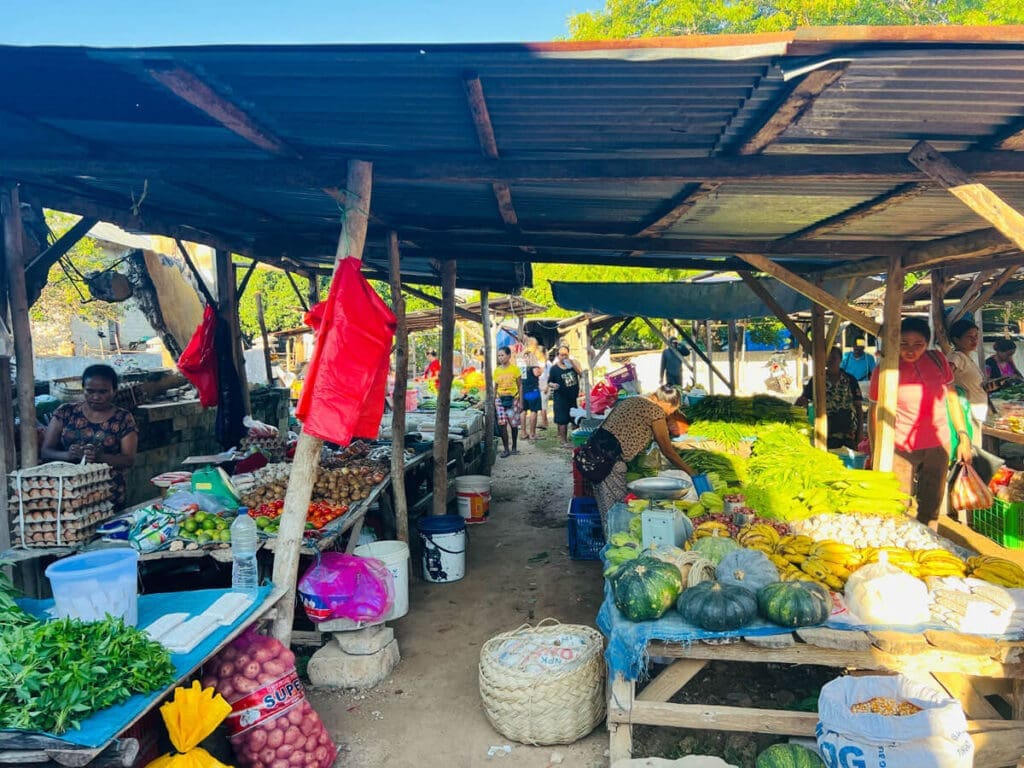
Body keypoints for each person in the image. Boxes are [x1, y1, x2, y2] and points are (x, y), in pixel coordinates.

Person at [868, 317, 972, 530]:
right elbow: (874, 412)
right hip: (900, 447)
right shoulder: (885, 369)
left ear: (927, 343)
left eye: (918, 345)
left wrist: (963, 436)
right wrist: (875, 449)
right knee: (898, 503)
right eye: (903, 344)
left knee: (931, 504)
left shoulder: (938, 360)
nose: (910, 350)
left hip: (938, 444)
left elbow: (952, 399)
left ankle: (928, 543)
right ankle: (898, 547)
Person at [587, 386, 696, 526]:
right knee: (616, 514)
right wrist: (692, 473)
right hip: (608, 464)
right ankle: (614, 542)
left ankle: (610, 539)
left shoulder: (635, 399)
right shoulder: (655, 411)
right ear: (667, 404)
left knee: (607, 509)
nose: (670, 414)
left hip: (595, 456)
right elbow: (668, 451)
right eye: (672, 410)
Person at [41, 364, 138, 508]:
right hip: (68, 494)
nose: (96, 397)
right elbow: (46, 451)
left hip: (108, 494)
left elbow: (128, 459)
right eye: (90, 391)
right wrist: (68, 455)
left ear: (114, 391)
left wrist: (100, 457)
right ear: (83, 389)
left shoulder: (123, 418)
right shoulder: (66, 412)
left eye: (103, 392)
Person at [794, 346, 863, 449]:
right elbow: (803, 399)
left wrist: (860, 433)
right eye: (828, 358)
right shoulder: (817, 380)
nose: (830, 361)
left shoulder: (850, 380)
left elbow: (858, 407)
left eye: (834, 358)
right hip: (825, 434)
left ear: (840, 360)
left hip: (848, 434)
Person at [947, 319, 999, 447]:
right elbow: (944, 378)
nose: (974, 340)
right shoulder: (956, 357)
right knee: (971, 454)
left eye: (976, 336)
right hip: (967, 414)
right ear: (956, 340)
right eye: (969, 337)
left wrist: (986, 387)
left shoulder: (966, 357)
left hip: (976, 413)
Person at [547, 345, 581, 448]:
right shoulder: (554, 368)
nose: (564, 357)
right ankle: (563, 441)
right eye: (561, 355)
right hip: (561, 397)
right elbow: (549, 382)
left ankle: (576, 438)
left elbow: (581, 373)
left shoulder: (572, 364)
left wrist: (573, 364)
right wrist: (553, 385)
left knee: (575, 418)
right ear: (558, 356)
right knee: (563, 420)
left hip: (572, 396)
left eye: (566, 355)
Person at [493, 346, 522, 458]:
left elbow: (520, 385)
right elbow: (495, 387)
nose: (500, 357)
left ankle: (514, 447)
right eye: (499, 355)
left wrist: (521, 401)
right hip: (500, 400)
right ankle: (506, 449)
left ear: (509, 356)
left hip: (513, 399)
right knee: (502, 424)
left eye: (502, 355)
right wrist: (493, 400)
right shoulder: (497, 370)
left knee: (513, 424)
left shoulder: (515, 369)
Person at [520, 338, 545, 440]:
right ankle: (532, 434)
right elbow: (536, 372)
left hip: (522, 387)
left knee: (523, 410)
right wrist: (542, 368)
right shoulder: (532, 357)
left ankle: (523, 432)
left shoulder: (520, 356)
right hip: (532, 389)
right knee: (534, 410)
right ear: (533, 345)